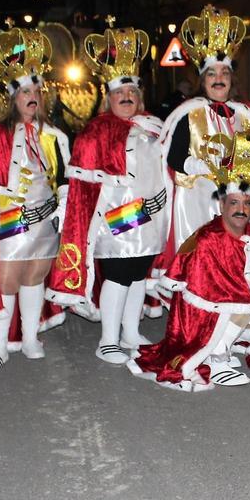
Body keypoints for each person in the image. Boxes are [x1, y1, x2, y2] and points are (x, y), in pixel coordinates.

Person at [46, 27, 170, 365]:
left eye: (132, 91)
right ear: (109, 97)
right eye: (120, 92)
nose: (126, 97)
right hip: (116, 223)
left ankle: (130, 332)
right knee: (117, 276)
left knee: (138, 276)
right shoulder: (96, 131)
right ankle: (108, 339)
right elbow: (84, 185)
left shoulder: (154, 127)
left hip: (151, 222)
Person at [128, 127, 250, 391]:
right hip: (203, 316)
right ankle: (217, 356)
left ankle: (231, 342)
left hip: (238, 307)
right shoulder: (211, 237)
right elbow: (211, 293)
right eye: (234, 202)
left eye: (247, 203)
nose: (241, 210)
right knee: (242, 305)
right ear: (222, 204)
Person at [0, 27, 71, 367]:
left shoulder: (54, 134)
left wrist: (63, 209)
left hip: (45, 219)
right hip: (9, 219)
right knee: (5, 280)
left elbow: (64, 177)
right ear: (14, 97)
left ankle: (30, 338)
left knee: (35, 276)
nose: (31, 96)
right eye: (24, 91)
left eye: (36, 90)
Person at [162, 5, 250, 252]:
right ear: (203, 79)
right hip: (197, 202)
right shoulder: (188, 111)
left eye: (224, 73)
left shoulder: (246, 114)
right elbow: (174, 156)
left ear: (231, 79)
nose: (218, 79)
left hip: (236, 205)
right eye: (211, 74)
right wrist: (201, 166)